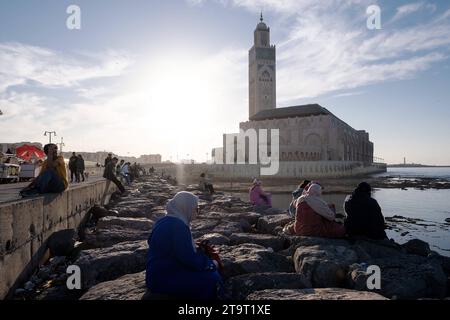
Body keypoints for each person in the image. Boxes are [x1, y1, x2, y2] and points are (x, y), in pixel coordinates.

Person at [146, 192, 223, 300]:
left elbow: (153, 242)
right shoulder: (179, 226)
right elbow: (188, 258)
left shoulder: (163, 220)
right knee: (212, 278)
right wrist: (211, 264)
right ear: (186, 208)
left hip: (154, 275)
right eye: (196, 209)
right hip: (164, 278)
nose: (198, 212)